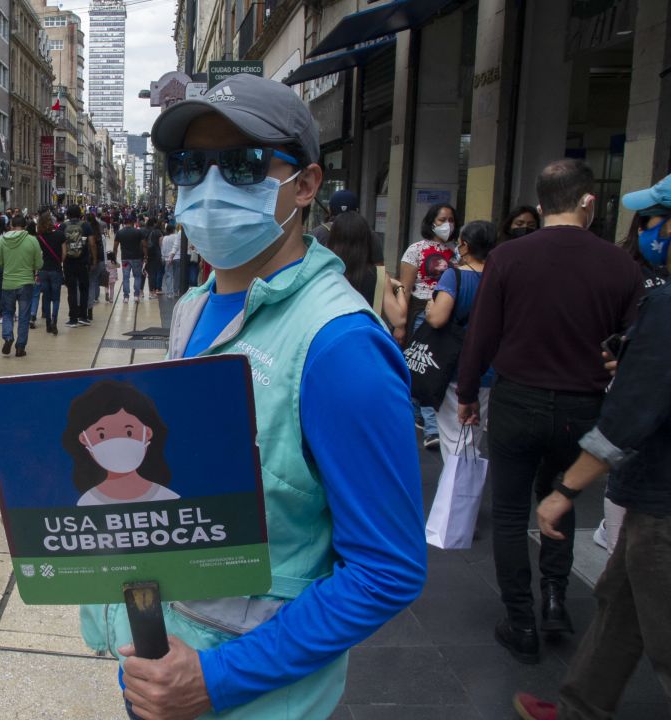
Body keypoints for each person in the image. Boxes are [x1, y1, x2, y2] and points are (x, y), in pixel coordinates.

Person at [85, 72, 425, 719]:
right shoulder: (192, 305)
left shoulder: (341, 347)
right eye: (189, 165)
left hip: (252, 697)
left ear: (305, 184)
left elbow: (387, 570)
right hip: (160, 663)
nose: (209, 188)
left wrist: (217, 678)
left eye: (240, 165)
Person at [455, 158, 644, 665]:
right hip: (584, 407)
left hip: (517, 400)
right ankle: (556, 600)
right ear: (589, 201)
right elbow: (634, 346)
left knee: (512, 513)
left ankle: (520, 620)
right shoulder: (622, 266)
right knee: (561, 500)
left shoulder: (509, 258)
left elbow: (482, 335)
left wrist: (468, 393)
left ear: (541, 205)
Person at [510, 240, 671, 719]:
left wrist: (565, 490)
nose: (652, 231)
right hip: (652, 501)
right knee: (619, 606)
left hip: (664, 505)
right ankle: (581, 707)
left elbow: (630, 413)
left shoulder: (665, 304)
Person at [425, 220, 496, 462]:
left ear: (464, 246)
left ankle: (457, 493)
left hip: (454, 367)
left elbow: (437, 319)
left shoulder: (453, 277)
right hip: (489, 368)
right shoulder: (499, 277)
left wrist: (430, 307)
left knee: (455, 440)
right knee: (472, 435)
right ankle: (462, 488)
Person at [400, 202, 460, 449]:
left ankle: (420, 413)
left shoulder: (456, 252)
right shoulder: (416, 250)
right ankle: (432, 428)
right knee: (422, 366)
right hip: (421, 312)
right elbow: (404, 287)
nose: (447, 224)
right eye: (442, 219)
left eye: (451, 220)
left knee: (429, 368)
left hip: (447, 313)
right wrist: (400, 322)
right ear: (430, 222)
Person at [64, 380, 179, 506]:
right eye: (102, 435)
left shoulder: (168, 498)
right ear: (84, 439)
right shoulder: (86, 504)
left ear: (148, 433)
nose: (116, 444)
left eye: (129, 432)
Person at [327, 212, 407, 341]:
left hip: (329, 339)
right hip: (364, 342)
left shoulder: (324, 272)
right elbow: (399, 319)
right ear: (367, 240)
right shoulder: (378, 275)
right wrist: (399, 288)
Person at [0, 214, 42, 357]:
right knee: (24, 315)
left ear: (11, 225)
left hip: (8, 282)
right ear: (26, 226)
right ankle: (20, 347)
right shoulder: (32, 240)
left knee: (8, 313)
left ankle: (8, 337)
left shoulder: (3, 240)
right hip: (26, 282)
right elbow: (39, 264)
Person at [312, 190, 385, 265]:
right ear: (357, 210)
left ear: (330, 210)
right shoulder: (370, 235)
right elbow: (379, 269)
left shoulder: (317, 234)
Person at [62, 205, 94, 326]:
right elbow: (92, 243)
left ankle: (72, 318)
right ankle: (83, 316)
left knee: (71, 290)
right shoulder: (85, 225)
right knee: (84, 289)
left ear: (68, 214)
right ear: (80, 213)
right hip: (83, 261)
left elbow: (61, 244)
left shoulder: (63, 226)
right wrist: (93, 259)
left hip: (68, 262)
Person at [36, 211, 65, 335]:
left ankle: (48, 323)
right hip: (56, 269)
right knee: (56, 298)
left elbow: (37, 255)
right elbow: (64, 253)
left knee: (46, 297)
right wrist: (59, 261)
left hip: (43, 270)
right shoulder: (60, 235)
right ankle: (54, 320)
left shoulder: (39, 237)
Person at [114, 215, 146, 304]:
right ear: (133, 222)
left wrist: (114, 258)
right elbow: (144, 245)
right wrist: (146, 256)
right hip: (136, 258)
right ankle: (136, 295)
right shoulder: (138, 232)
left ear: (124, 223)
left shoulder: (119, 233)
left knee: (126, 277)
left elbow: (115, 247)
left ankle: (126, 297)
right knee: (137, 276)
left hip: (125, 259)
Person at [160, 222, 181, 297]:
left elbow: (163, 249)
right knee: (177, 275)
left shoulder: (164, 238)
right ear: (173, 229)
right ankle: (176, 291)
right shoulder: (177, 236)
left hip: (167, 259)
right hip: (177, 257)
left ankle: (169, 292)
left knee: (169, 275)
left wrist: (163, 257)